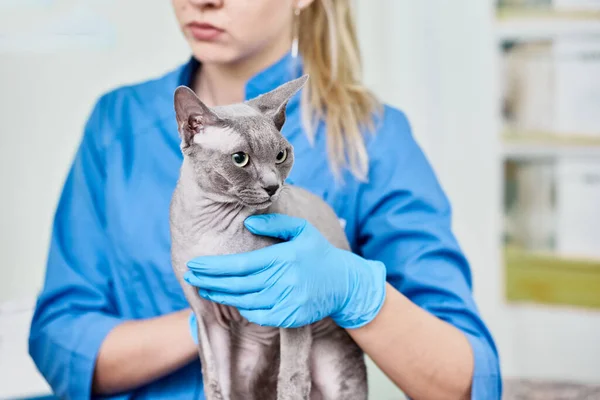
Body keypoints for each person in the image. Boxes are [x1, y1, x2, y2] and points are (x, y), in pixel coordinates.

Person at [28, 0, 502, 399]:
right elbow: (59, 342)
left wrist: (359, 294)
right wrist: (212, 322)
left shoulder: (372, 138)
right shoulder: (117, 124)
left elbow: (465, 380)